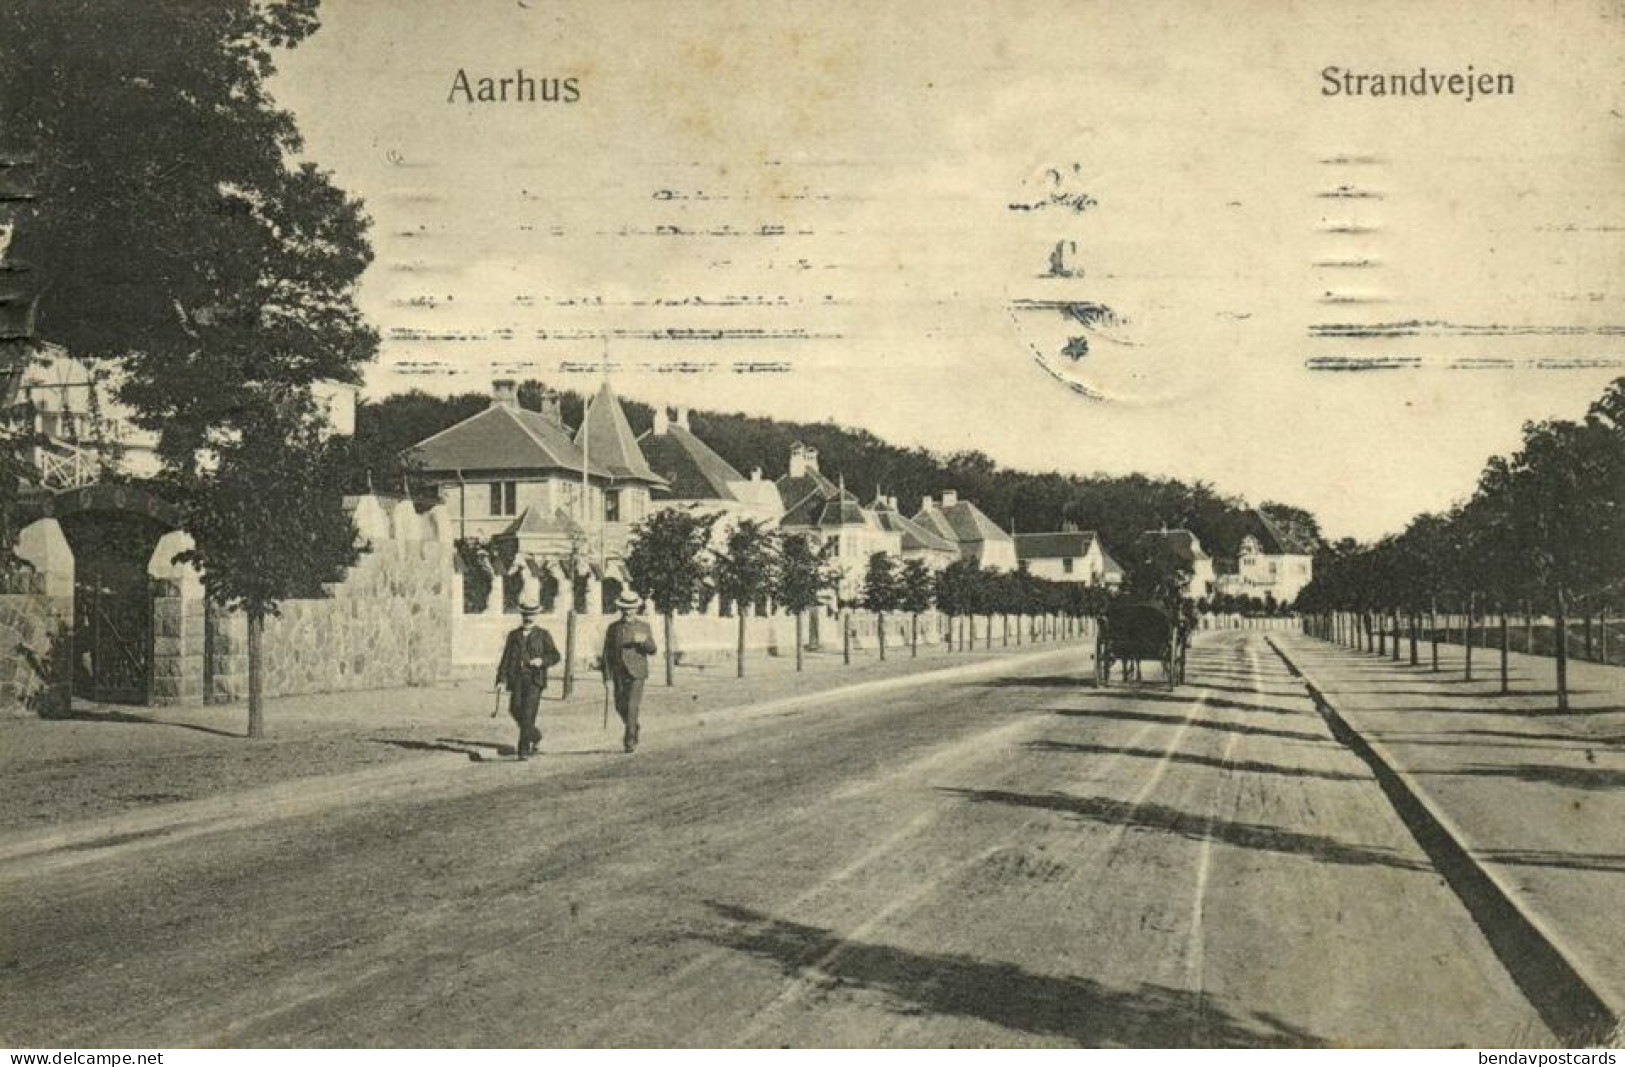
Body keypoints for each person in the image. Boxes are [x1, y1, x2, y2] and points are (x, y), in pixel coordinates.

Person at [495, 601, 561, 759]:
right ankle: (535, 735)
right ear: (521, 615)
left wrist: (541, 661)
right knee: (514, 708)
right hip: (517, 679)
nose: (529, 618)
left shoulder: (543, 635)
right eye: (526, 615)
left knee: (528, 713)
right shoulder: (514, 635)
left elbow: (555, 656)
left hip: (534, 680)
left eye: (532, 614)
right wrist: (501, 680)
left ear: (537, 615)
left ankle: (523, 749)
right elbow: (505, 658)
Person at [601, 591, 657, 753]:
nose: (628, 612)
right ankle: (633, 726)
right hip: (619, 672)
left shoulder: (643, 626)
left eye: (631, 608)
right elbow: (606, 654)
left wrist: (644, 642)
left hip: (637, 673)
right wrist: (607, 677)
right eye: (625, 608)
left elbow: (653, 649)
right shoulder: (613, 628)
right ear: (620, 609)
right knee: (620, 706)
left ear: (636, 609)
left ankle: (629, 739)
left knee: (632, 706)